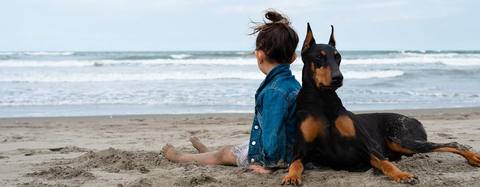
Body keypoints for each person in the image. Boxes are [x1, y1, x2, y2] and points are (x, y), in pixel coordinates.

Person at [161, 10, 300, 173]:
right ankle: (208, 154)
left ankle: (180, 157)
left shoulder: (273, 92)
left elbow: (272, 135)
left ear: (259, 55)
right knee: (233, 149)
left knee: (224, 153)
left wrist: (267, 166)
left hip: (274, 158)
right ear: (293, 58)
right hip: (290, 152)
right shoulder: (294, 85)